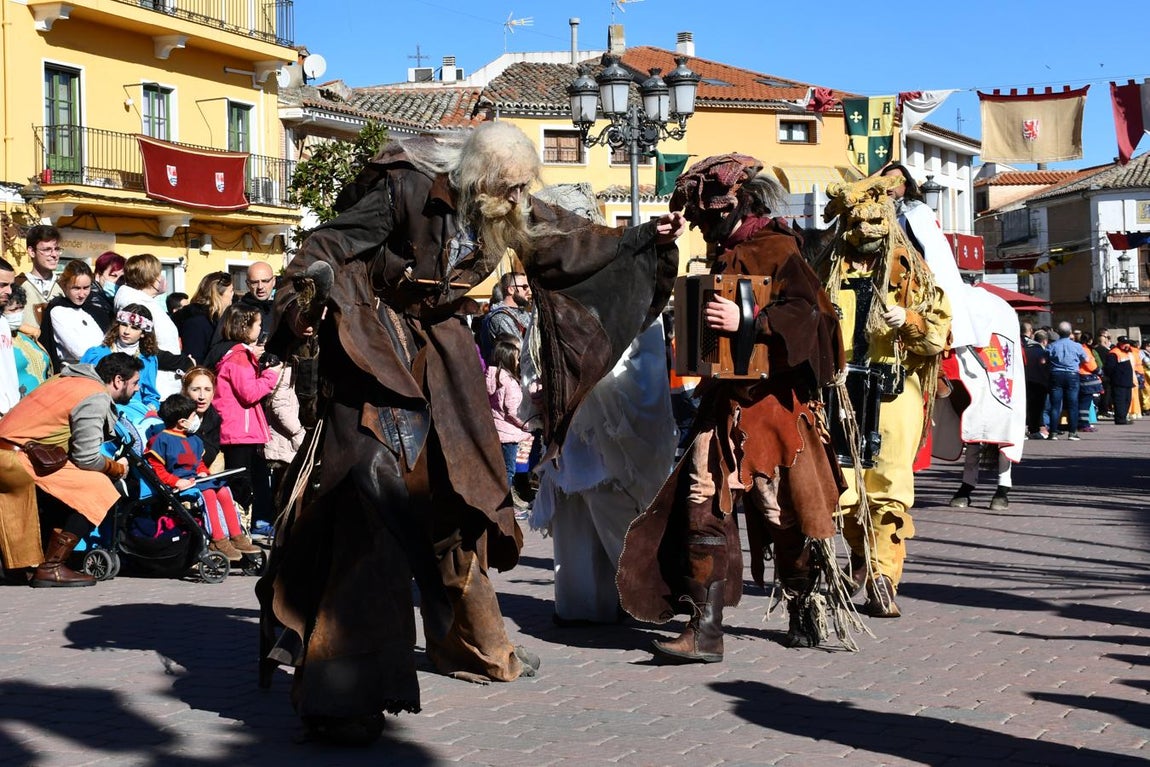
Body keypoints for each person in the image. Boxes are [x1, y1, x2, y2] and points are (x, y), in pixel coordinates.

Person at [257, 121, 682, 743]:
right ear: (476, 178)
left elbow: (567, 245)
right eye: (508, 187)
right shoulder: (405, 187)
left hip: (443, 355)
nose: (518, 199)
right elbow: (328, 243)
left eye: (523, 188)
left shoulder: (508, 208)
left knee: (465, 498)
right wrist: (305, 298)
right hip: (373, 350)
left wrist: (644, 239)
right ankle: (343, 691)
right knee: (369, 508)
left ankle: (476, 646)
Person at [618, 154, 851, 658]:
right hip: (723, 404)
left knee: (780, 514)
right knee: (701, 505)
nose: (703, 228)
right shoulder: (723, 252)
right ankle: (704, 631)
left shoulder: (778, 246)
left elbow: (810, 317)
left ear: (734, 204)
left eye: (706, 217)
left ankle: (804, 606)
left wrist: (749, 320)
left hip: (773, 409)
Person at [818, 173, 951, 618]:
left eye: (874, 221)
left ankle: (883, 577)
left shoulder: (911, 271)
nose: (865, 231)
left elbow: (936, 334)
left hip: (893, 391)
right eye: (856, 222)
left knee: (888, 488)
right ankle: (861, 555)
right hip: (837, 393)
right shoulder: (825, 269)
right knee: (841, 491)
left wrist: (909, 320)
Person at [535, 321, 675, 626]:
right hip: (571, 420)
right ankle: (581, 605)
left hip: (607, 412)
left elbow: (643, 352)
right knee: (573, 512)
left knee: (615, 506)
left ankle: (651, 595)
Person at [0, 353, 141, 586]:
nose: (137, 389)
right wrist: (117, 468)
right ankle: (52, 568)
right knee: (100, 487)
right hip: (18, 460)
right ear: (119, 380)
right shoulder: (95, 395)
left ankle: (32, 564)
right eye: (135, 383)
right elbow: (87, 458)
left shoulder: (64, 379)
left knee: (70, 491)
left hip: (15, 455)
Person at [145, 393, 260, 563]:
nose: (196, 420)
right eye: (194, 416)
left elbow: (198, 463)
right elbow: (157, 469)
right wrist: (176, 481)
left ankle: (236, 535)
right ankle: (218, 539)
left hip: (196, 480)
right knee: (209, 494)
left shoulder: (194, 440)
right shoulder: (162, 440)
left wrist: (203, 471)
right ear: (182, 422)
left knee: (223, 490)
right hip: (179, 484)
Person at [212, 305, 282, 534]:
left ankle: (244, 526)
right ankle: (239, 529)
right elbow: (249, 393)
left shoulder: (238, 354)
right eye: (258, 324)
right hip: (239, 431)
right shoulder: (239, 357)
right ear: (245, 327)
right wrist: (271, 375)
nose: (261, 328)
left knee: (246, 479)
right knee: (241, 483)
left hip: (240, 429)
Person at [115, 254, 184, 397]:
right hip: (155, 383)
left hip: (165, 378)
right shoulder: (135, 303)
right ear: (151, 277)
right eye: (159, 273)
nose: (161, 278)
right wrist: (183, 362)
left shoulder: (148, 302)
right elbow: (142, 345)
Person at [80, 304, 163, 422]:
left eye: (134, 328)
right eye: (124, 324)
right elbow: (79, 384)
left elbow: (150, 395)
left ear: (143, 333)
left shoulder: (148, 359)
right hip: (98, 411)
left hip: (133, 416)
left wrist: (149, 412)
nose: (127, 331)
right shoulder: (97, 353)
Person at [485, 334, 533, 514]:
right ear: (508, 359)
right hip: (509, 434)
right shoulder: (510, 382)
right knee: (509, 470)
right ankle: (504, 506)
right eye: (516, 358)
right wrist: (527, 425)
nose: (519, 362)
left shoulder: (491, 377)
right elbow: (513, 411)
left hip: (495, 431)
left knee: (498, 469)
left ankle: (497, 501)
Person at [38, 260, 105, 372]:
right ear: (65, 286)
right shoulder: (58, 311)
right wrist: (103, 351)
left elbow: (105, 340)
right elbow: (80, 351)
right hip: (76, 372)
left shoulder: (92, 308)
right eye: (76, 288)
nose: (82, 294)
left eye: (86, 288)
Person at [174, 272, 233, 363]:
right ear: (218, 294)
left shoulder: (213, 318)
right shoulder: (197, 322)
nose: (233, 294)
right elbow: (194, 360)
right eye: (231, 291)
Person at [15, 225, 63, 333]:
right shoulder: (16, 285)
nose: (54, 255)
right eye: (47, 250)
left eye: (57, 249)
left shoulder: (64, 285)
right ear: (32, 251)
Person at [5, 286, 52, 398]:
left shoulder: (28, 335)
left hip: (45, 400)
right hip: (15, 405)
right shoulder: (4, 343)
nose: (18, 313)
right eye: (12, 310)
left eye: (21, 308)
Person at [1045, 321, 1089, 440]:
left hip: (1056, 374)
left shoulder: (1052, 346)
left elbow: (1044, 360)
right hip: (1072, 374)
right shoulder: (1077, 346)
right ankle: (1072, 432)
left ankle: (1053, 433)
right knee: (1073, 404)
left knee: (1055, 405)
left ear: (1058, 332)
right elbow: (1086, 360)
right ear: (1070, 332)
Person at [479, 271, 532, 362]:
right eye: (524, 287)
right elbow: (521, 351)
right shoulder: (501, 318)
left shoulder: (523, 313)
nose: (529, 291)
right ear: (511, 290)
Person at [182, 367, 224, 473]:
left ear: (213, 393)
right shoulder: (174, 418)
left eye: (207, 389)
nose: (202, 396)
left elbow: (213, 451)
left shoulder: (215, 419)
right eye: (195, 389)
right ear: (185, 391)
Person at [1105, 336, 1138, 425]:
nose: (1127, 345)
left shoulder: (1125, 353)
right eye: (1124, 344)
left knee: (1127, 401)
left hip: (1127, 382)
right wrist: (1114, 378)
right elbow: (1109, 368)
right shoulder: (1114, 353)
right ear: (1119, 343)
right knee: (1120, 401)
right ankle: (1120, 419)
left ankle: (1123, 417)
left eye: (1128, 343)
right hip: (1118, 382)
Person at [1025, 329, 1052, 438]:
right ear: (1044, 341)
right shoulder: (1043, 352)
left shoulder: (1025, 350)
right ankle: (1035, 429)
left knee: (1028, 406)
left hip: (1027, 381)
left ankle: (1029, 427)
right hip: (1040, 382)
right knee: (1039, 408)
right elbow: (1045, 368)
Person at [0, 258, 19, 413]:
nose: (9, 291)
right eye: (3, 285)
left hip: (10, 409)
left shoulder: (3, 322)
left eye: (10, 285)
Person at [89, 251, 125, 324]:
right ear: (98, 276)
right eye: (113, 276)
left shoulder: (115, 301)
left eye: (122, 278)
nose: (117, 281)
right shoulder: (92, 301)